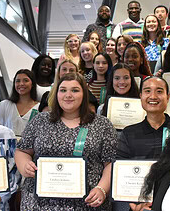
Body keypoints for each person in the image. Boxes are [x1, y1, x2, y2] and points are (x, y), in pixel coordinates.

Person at [15, 73, 117, 210]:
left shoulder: (102, 124)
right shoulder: (40, 120)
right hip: (39, 204)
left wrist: (102, 189)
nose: (68, 95)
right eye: (63, 90)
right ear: (56, 94)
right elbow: (22, 151)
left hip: (87, 204)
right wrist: (24, 165)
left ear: (84, 94)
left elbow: (111, 163)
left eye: (75, 90)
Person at [117, 76, 170, 159]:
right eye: (147, 91)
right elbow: (121, 165)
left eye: (159, 91)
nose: (153, 96)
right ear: (141, 96)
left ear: (167, 97)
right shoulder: (128, 133)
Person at [0, 69, 39, 137]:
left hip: (31, 147)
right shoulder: (5, 105)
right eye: (18, 81)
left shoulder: (39, 108)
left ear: (32, 84)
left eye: (25, 80)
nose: (21, 84)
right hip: (7, 146)